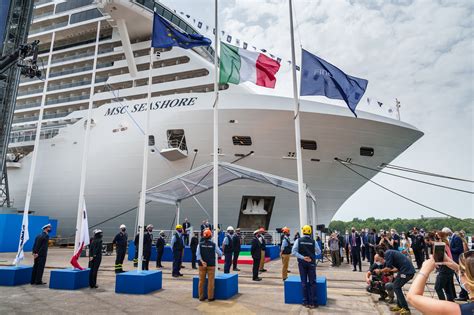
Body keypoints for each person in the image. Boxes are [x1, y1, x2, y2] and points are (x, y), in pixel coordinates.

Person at [407, 251, 474, 315]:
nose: (459, 274)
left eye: (461, 272)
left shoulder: (457, 310)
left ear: (468, 278)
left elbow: (411, 297)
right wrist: (456, 268)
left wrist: (424, 270)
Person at [376, 245, 415, 315]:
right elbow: (396, 269)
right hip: (405, 271)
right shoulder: (390, 252)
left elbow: (388, 268)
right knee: (396, 286)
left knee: (396, 287)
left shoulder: (388, 253)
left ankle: (406, 309)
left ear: (380, 252)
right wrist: (389, 272)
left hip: (407, 272)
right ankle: (399, 306)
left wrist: (380, 271)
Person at [291, 225, 321, 309]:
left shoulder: (298, 240)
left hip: (302, 263)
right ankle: (313, 303)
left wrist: (303, 257)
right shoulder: (313, 241)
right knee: (312, 282)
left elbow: (293, 252)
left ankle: (305, 302)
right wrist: (311, 256)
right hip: (311, 263)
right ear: (310, 232)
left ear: (303, 231)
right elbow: (318, 252)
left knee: (303, 282)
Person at [196, 229, 222, 302]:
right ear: (210, 236)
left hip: (201, 265)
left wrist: (202, 261)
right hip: (211, 265)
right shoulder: (213, 245)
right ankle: (210, 297)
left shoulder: (200, 244)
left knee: (201, 281)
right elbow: (220, 253)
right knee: (211, 282)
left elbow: (197, 255)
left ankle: (201, 297)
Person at [446, 227, 470, 301]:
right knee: (459, 278)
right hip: (456, 260)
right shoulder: (455, 238)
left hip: (457, 260)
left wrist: (449, 249)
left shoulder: (456, 238)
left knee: (460, 278)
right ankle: (463, 294)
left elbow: (459, 250)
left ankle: (464, 294)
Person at [434, 231, 455, 301]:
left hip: (444, 268)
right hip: (449, 268)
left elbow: (439, 259)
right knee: (448, 288)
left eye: (436, 236)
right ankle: (450, 303)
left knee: (438, 287)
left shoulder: (441, 245)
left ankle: (443, 303)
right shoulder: (446, 243)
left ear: (439, 237)